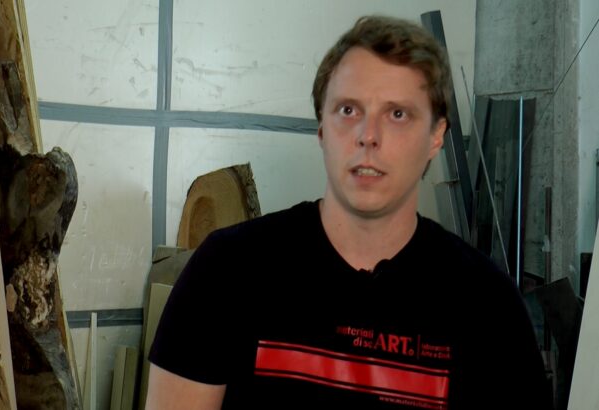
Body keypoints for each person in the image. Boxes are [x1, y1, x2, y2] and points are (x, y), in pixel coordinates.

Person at [145, 15, 551, 410]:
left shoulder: (488, 307)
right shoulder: (226, 271)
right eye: (348, 110)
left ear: (436, 136)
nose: (368, 136)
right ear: (322, 128)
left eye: (397, 114)